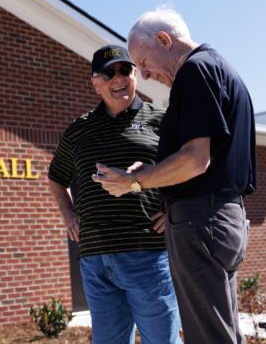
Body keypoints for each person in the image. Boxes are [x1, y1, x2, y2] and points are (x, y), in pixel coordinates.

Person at [93, 7, 256, 344]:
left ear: (164, 40)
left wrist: (134, 181)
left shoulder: (194, 71)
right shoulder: (220, 67)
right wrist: (154, 171)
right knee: (222, 331)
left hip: (201, 221)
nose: (146, 75)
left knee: (207, 336)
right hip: (226, 217)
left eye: (142, 62)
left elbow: (196, 161)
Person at [48, 44, 182, 344]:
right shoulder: (79, 130)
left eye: (125, 70)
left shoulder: (161, 121)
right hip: (95, 258)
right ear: (95, 82)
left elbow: (188, 168)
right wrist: (68, 213)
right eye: (108, 73)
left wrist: (176, 207)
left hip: (147, 253)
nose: (118, 78)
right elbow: (56, 178)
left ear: (135, 74)